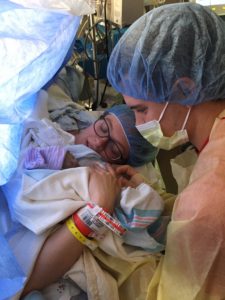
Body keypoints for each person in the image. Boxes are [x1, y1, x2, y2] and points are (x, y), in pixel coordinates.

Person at [106, 2, 225, 299]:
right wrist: (157, 199)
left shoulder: (207, 199)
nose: (139, 124)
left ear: (185, 90)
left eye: (142, 109)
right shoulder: (214, 142)